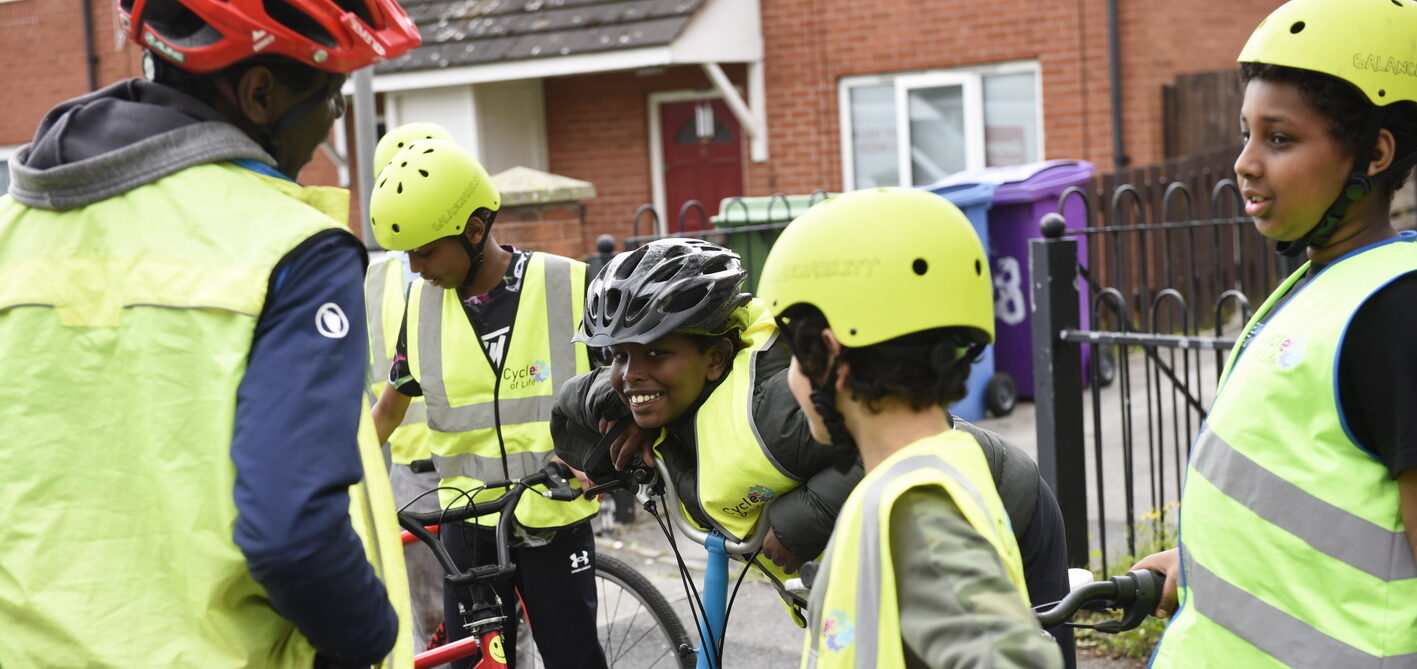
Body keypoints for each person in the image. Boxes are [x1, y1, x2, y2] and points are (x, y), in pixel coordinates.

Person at [0, 1, 420, 667]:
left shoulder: (12, 235)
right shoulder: (291, 249)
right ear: (260, 94)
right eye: (333, 95)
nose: (335, 120)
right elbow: (293, 535)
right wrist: (372, 636)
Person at [552, 238, 1073, 664]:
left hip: (1013, 506)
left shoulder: (774, 411)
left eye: (655, 354)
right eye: (616, 357)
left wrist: (804, 519)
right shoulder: (661, 396)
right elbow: (588, 395)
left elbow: (885, 442)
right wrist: (630, 409)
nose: (629, 373)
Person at [1132, 0, 1417, 666]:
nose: (1244, 162)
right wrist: (1207, 558)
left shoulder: (1394, 312)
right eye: (1244, 133)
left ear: (1373, 154)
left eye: (1279, 138)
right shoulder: (1321, 289)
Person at [757, 187, 1063, 669]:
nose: (791, 376)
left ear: (829, 354)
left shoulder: (914, 510)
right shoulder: (951, 464)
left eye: (795, 355)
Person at [367, 139, 606, 669]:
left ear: (474, 231)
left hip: (553, 515)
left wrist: (601, 455)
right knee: (475, 664)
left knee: (575, 659)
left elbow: (620, 387)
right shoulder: (421, 308)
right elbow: (387, 409)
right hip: (467, 528)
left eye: (425, 250)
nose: (414, 266)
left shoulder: (566, 284)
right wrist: (329, 475)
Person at [364, 122, 455, 650]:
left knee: (490, 623)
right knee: (428, 620)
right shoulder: (368, 280)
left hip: (474, 470)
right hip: (412, 477)